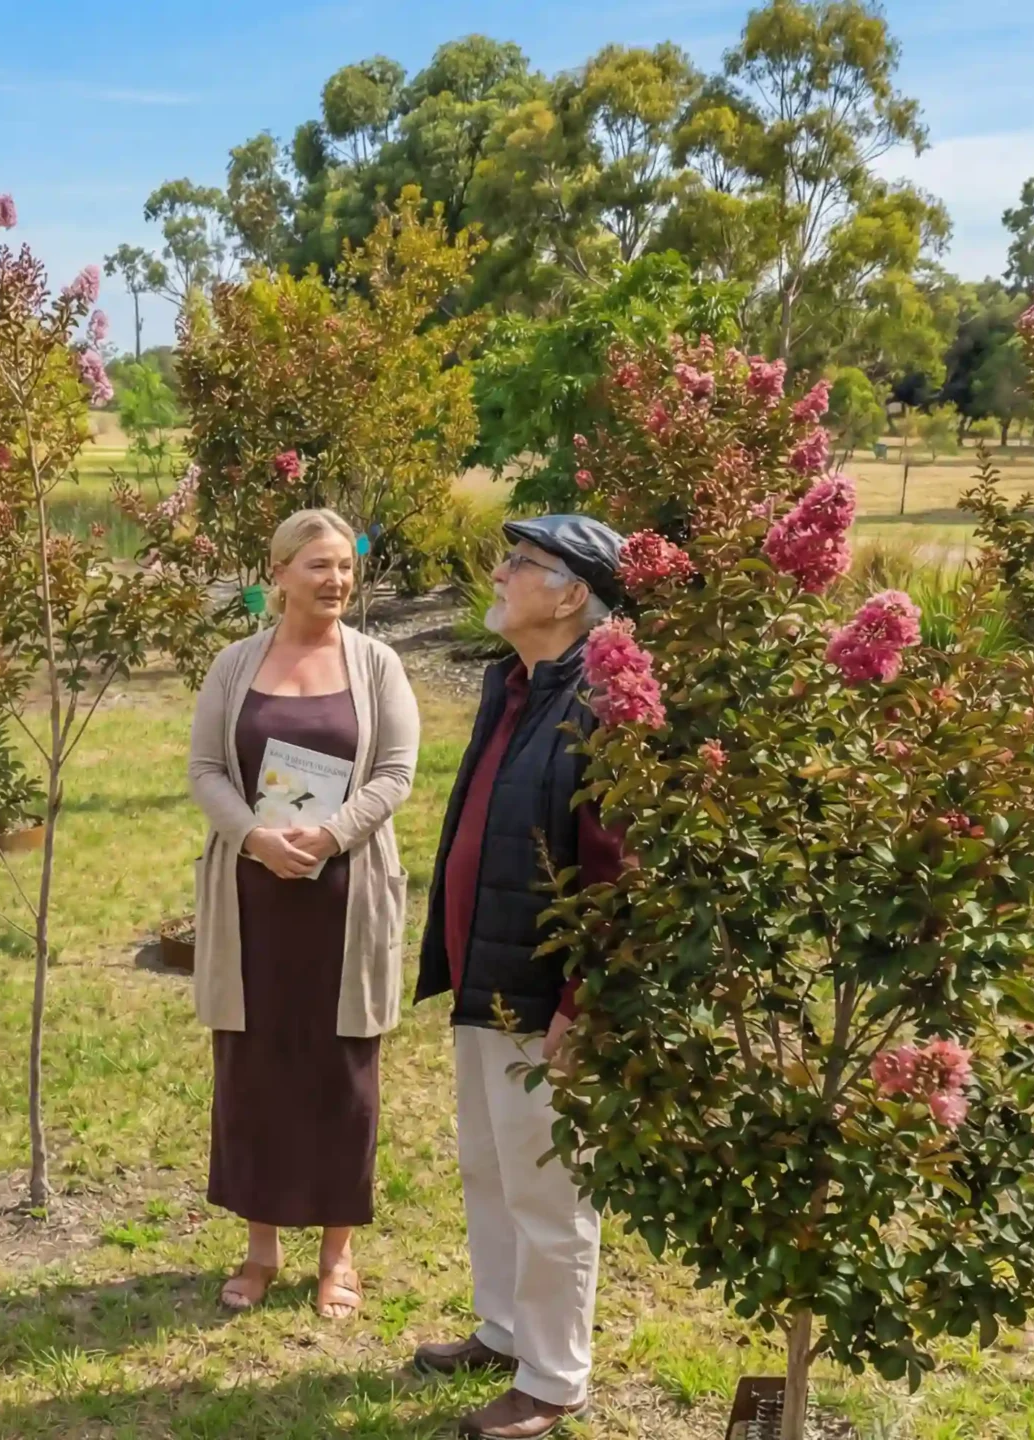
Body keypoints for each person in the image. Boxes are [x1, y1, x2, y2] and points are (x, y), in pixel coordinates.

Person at [409, 515, 628, 1440]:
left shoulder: (606, 703)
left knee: (549, 1187)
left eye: (521, 564)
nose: (498, 573)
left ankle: (552, 1375)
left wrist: (585, 1005)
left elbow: (620, 874)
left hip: (547, 999)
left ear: (572, 594)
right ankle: (504, 1329)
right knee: (490, 1169)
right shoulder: (517, 685)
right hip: (485, 978)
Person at [187, 508, 420, 1322]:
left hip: (343, 897)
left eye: (346, 566)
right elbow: (206, 769)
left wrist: (327, 835)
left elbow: (394, 774)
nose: (336, 581)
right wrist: (253, 838)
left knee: (341, 1074)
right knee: (254, 1068)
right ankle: (260, 1250)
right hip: (254, 899)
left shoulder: (378, 664)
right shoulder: (232, 664)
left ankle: (338, 1254)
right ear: (277, 572)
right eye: (318, 566)